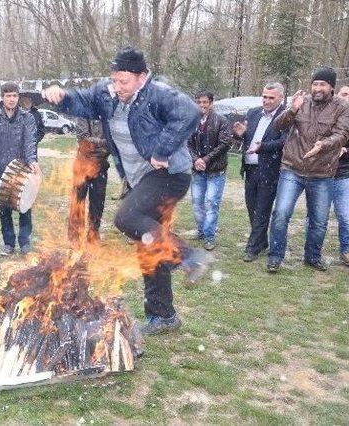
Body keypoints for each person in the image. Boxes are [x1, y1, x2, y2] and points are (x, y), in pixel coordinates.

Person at [43, 46, 211, 335]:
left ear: (142, 78)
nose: (118, 87)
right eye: (115, 79)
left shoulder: (158, 94)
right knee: (148, 242)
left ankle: (188, 256)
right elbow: (81, 101)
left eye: (125, 81)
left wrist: (163, 149)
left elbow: (190, 113)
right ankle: (163, 316)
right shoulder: (106, 95)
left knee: (126, 218)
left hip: (168, 174)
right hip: (141, 179)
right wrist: (62, 96)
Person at [267, 67, 349, 272]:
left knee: (319, 220)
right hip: (292, 169)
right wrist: (292, 109)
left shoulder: (342, 106)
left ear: (332, 87)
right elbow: (277, 127)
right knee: (281, 214)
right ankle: (276, 256)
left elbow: (342, 134)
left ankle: (312, 256)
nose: (317, 88)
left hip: (323, 173)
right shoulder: (300, 102)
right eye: (315, 84)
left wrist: (323, 145)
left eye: (322, 84)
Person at [0, 82, 39, 256]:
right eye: (8, 96)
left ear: (18, 97)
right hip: (1, 171)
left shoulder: (27, 118)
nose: (12, 99)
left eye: (14, 96)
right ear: (2, 98)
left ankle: (25, 244)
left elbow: (30, 143)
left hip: (23, 171)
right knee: (4, 210)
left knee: (25, 208)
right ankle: (8, 244)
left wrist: (32, 161)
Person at [232, 82, 288, 262]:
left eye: (271, 97)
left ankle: (253, 247)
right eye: (264, 96)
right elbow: (249, 139)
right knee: (252, 208)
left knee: (262, 209)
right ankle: (262, 241)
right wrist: (240, 134)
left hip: (270, 169)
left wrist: (262, 147)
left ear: (281, 98)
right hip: (250, 168)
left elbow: (283, 142)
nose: (267, 100)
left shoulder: (285, 116)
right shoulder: (254, 112)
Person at [187, 90, 233, 250]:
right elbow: (187, 143)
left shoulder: (221, 120)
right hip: (197, 170)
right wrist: (196, 160)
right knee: (197, 204)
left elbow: (225, 143)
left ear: (211, 103)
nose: (201, 105)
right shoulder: (192, 121)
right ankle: (201, 230)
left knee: (211, 204)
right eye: (199, 102)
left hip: (215, 170)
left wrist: (205, 160)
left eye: (205, 102)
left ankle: (209, 236)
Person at [334, 85, 349, 266]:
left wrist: (345, 150)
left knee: (345, 214)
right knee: (315, 216)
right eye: (344, 94)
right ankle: (312, 250)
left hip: (343, 174)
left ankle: (346, 250)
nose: (346, 98)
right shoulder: (329, 116)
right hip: (320, 173)